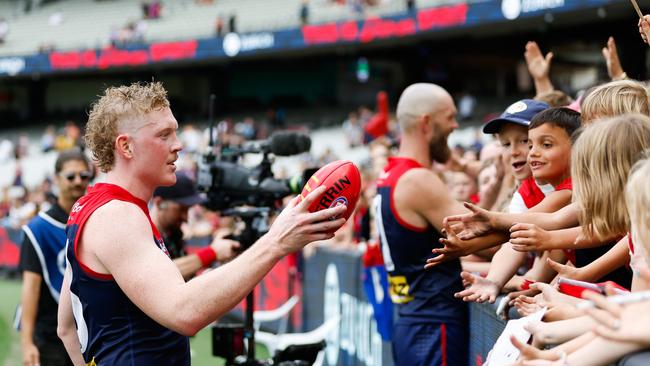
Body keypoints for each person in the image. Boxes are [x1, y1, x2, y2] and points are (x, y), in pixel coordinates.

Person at [56, 81, 347, 365]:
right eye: (164, 134)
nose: (179, 145)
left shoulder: (92, 206)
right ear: (126, 146)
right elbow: (185, 312)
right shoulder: (117, 215)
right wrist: (277, 241)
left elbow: (66, 328)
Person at [373, 82, 498, 366]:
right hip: (433, 325)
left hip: (413, 320)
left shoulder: (390, 175)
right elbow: (478, 235)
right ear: (427, 123)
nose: (455, 126)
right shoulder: (417, 180)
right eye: (450, 117)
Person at [19, 149, 92, 366]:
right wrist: (27, 343)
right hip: (51, 336)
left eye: (84, 176)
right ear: (56, 179)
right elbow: (31, 288)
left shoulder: (95, 219)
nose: (78, 181)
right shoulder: (38, 229)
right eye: (71, 176)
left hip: (91, 331)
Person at [151, 172, 240, 279]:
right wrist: (212, 253)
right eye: (182, 209)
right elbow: (157, 275)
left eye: (188, 209)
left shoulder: (173, 235)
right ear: (160, 203)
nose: (186, 217)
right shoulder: (141, 234)